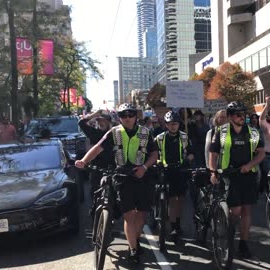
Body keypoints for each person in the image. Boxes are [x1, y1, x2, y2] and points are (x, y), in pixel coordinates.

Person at [75, 103, 158, 265]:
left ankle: (135, 239)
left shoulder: (145, 133)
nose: (127, 118)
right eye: (123, 115)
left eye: (130, 114)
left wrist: (144, 167)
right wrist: (84, 161)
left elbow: (154, 153)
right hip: (122, 177)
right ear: (119, 117)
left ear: (135, 116)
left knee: (141, 215)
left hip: (142, 177)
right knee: (129, 216)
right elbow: (98, 148)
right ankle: (133, 249)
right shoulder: (114, 133)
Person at [209, 101, 265, 258]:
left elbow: (261, 153)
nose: (242, 117)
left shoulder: (253, 132)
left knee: (247, 210)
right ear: (230, 116)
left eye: (243, 114)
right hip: (229, 176)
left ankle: (243, 244)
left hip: (248, 175)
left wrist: (249, 165)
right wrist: (213, 172)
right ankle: (229, 226)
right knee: (236, 210)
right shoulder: (221, 132)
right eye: (238, 114)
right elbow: (213, 154)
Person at [155, 111, 194, 242]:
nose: (173, 126)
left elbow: (191, 153)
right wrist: (157, 162)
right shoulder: (159, 138)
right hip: (165, 172)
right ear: (166, 125)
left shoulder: (184, 137)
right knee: (172, 201)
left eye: (175, 124)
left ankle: (177, 223)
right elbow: (153, 154)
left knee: (180, 200)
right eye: (170, 124)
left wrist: (187, 159)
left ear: (179, 124)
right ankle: (172, 226)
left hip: (181, 171)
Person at [78, 110, 115, 197]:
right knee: (95, 194)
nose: (101, 122)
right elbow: (81, 123)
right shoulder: (93, 132)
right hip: (97, 169)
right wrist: (94, 115)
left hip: (112, 168)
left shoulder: (114, 134)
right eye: (99, 120)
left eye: (103, 120)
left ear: (108, 122)